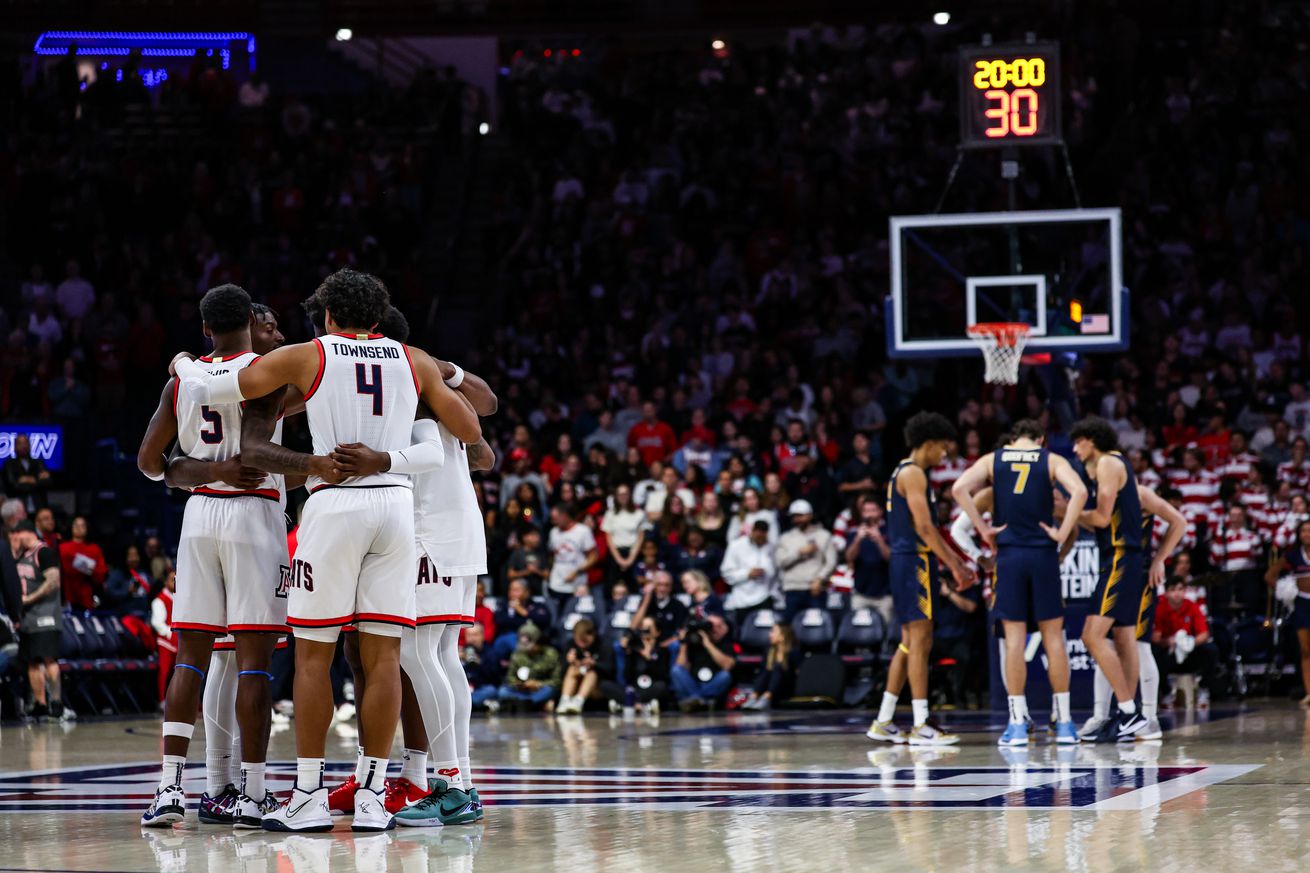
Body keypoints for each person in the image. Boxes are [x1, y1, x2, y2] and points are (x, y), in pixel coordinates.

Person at [169, 269, 481, 832]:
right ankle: (372, 794)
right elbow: (467, 423)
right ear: (379, 316)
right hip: (394, 506)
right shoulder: (413, 359)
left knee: (315, 653)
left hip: (335, 502)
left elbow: (214, 390)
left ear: (329, 316)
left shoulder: (307, 355)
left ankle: (309, 796)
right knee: (384, 656)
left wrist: (183, 364)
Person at [321, 311, 497, 826]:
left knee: (421, 654)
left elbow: (459, 445)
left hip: (431, 538)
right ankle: (453, 780)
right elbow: (483, 451)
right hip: (454, 533)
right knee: (442, 656)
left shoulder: (418, 403)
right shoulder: (433, 402)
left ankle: (451, 784)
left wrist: (381, 459)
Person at [137, 285, 293, 828]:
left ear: (205, 329)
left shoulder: (181, 382)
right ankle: (252, 794)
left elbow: (151, 463)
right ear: (252, 320)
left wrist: (209, 470)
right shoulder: (269, 371)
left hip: (200, 516)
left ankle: (169, 789)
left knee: (189, 657)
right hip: (253, 513)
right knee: (254, 664)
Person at [951, 419, 1088, 746]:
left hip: (1009, 557)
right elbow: (1081, 492)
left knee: (1014, 641)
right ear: (1040, 439)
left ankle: (1016, 723)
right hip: (1043, 555)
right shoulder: (1051, 459)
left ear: (1012, 440)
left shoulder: (993, 459)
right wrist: (1061, 532)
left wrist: (982, 530)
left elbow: (958, 489)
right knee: (1054, 639)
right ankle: (1066, 723)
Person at [865, 412, 975, 747]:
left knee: (908, 642)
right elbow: (926, 529)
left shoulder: (901, 471)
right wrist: (955, 564)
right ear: (928, 443)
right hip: (914, 562)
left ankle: (884, 720)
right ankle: (921, 723)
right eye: (942, 447)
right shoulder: (913, 474)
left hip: (905, 562)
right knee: (921, 641)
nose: (944, 455)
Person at [1071, 416, 1157, 742]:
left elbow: (1102, 517)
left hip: (1120, 555)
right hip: (1125, 556)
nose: (1076, 449)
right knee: (1123, 637)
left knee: (1092, 636)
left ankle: (1127, 710)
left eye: (1079, 442)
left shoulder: (1107, 462)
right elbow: (1102, 522)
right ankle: (1129, 717)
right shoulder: (1116, 464)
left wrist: (1067, 512)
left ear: (1091, 440)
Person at [1081, 481, 1188, 742]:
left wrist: (1159, 559)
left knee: (1138, 645)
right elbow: (1098, 524)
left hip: (1137, 574)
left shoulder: (1138, 492)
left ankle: (1149, 719)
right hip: (1113, 571)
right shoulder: (1102, 494)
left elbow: (1178, 522)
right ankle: (1102, 715)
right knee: (1104, 643)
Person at [11, 520, 65, 721]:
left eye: (18, 534)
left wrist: (28, 599)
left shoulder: (44, 552)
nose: (15, 538)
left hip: (47, 615)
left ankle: (56, 701)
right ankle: (40, 704)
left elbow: (53, 582)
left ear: (27, 533)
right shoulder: (21, 557)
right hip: (28, 617)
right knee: (33, 662)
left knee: (49, 658)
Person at [1151, 577, 1221, 699]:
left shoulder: (1192, 606)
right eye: (1173, 590)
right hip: (1170, 653)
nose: (1177, 593)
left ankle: (1203, 687)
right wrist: (1168, 641)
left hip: (1189, 652)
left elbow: (1204, 634)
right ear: (1166, 593)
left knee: (1211, 650)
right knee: (1154, 653)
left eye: (1180, 589)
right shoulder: (1160, 609)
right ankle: (1166, 692)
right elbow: (1155, 637)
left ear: (1185, 591)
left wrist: (1191, 642)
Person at [1265, 519, 1310, 707]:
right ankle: (1309, 692)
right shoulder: (1292, 555)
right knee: (1306, 650)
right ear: (1299, 535)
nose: (1307, 534)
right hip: (1301, 604)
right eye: (1304, 531)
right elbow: (1269, 576)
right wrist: (1285, 591)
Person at [776, 499, 838, 622]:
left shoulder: (823, 535)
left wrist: (820, 579)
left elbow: (832, 562)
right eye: (794, 516)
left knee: (817, 628)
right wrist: (799, 553)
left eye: (800, 516)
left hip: (815, 589)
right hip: (793, 589)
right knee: (790, 628)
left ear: (809, 515)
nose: (797, 519)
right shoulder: (786, 538)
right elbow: (780, 562)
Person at [604, 616, 670, 715]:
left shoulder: (662, 650)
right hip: (633, 689)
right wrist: (628, 654)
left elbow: (662, 676)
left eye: (649, 628)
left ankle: (627, 705)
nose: (645, 630)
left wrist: (649, 659)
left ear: (657, 632)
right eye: (642, 627)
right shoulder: (634, 649)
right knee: (605, 685)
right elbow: (627, 676)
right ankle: (642, 706)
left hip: (650, 688)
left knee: (661, 686)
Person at [670, 612, 736, 710]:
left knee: (725, 676)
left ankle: (695, 700)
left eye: (718, 626)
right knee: (676, 670)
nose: (714, 630)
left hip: (712, 684)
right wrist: (684, 643)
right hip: (693, 683)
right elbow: (680, 666)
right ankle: (702, 701)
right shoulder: (694, 642)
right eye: (711, 626)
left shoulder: (727, 645)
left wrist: (708, 644)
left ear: (725, 629)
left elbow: (727, 666)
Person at [720, 520, 778, 626]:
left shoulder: (771, 547)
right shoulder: (736, 545)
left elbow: (776, 574)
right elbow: (726, 573)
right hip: (742, 599)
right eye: (758, 534)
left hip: (764, 597)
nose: (760, 538)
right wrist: (747, 574)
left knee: (764, 633)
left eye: (763, 535)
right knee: (742, 635)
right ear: (753, 531)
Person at [845, 499, 892, 624]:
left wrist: (879, 540)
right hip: (861, 593)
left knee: (885, 631)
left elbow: (891, 558)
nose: (869, 514)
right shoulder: (854, 533)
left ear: (880, 512)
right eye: (866, 511)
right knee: (859, 630)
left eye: (873, 510)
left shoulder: (889, 531)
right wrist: (858, 539)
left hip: (885, 594)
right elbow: (849, 558)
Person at [557, 618, 615, 714]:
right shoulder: (570, 644)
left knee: (591, 672)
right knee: (572, 669)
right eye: (579, 639)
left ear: (593, 635)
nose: (582, 644)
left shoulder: (604, 644)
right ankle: (564, 701)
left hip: (597, 688)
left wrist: (594, 664)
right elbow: (560, 673)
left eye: (585, 640)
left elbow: (611, 670)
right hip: (575, 684)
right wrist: (568, 662)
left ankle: (578, 702)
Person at [497, 622, 561, 710]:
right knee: (503, 691)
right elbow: (510, 678)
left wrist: (538, 684)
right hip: (522, 691)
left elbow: (556, 681)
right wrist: (519, 684)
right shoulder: (517, 653)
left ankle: (524, 703)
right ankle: (531, 704)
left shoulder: (551, 654)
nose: (527, 649)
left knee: (550, 690)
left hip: (540, 689)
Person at [546, 502, 599, 606]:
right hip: (556, 582)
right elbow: (552, 554)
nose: (553, 522)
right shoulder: (553, 532)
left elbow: (593, 556)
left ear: (564, 516)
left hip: (577, 584)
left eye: (555, 518)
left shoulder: (582, 531)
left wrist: (577, 571)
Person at [741, 623, 800, 711]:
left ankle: (767, 697)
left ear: (782, 636)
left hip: (787, 689)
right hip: (770, 687)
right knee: (766, 670)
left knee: (777, 667)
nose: (770, 635)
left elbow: (797, 674)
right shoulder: (769, 651)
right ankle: (754, 696)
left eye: (773, 631)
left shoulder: (793, 652)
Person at [58, 516, 107, 610]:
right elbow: (65, 568)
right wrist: (88, 567)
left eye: (82, 525)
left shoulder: (94, 549)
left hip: (88, 597)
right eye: (76, 525)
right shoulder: (62, 548)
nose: (79, 528)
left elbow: (101, 573)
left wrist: (83, 566)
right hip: (67, 596)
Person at [601, 484, 646, 582]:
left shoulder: (639, 514)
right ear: (616, 496)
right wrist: (619, 559)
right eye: (620, 494)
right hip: (615, 554)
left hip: (634, 553)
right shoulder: (610, 514)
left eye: (626, 494)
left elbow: (641, 536)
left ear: (630, 495)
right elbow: (609, 538)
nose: (623, 496)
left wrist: (631, 558)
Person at [632, 569, 689, 644]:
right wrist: (646, 599)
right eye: (659, 584)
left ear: (671, 587)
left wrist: (665, 644)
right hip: (647, 645)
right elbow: (633, 626)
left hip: (669, 645)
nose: (662, 589)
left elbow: (682, 631)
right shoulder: (646, 602)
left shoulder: (678, 605)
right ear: (653, 586)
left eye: (666, 585)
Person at [2, 434, 52, 511]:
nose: (23, 446)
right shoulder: (9, 464)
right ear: (15, 447)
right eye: (20, 443)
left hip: (39, 506)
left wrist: (28, 480)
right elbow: (13, 485)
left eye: (25, 443)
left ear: (29, 445)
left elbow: (47, 482)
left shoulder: (39, 463)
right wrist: (36, 481)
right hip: (17, 508)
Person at [460, 624, 502, 711]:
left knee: (491, 690)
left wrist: (480, 663)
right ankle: (472, 704)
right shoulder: (461, 651)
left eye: (475, 635)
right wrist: (457, 661)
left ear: (482, 636)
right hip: (465, 689)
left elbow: (495, 678)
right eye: (469, 635)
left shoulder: (490, 652)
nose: (472, 638)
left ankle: (466, 705)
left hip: (481, 688)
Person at [505, 526, 550, 595]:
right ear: (524, 537)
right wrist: (526, 572)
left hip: (539, 593)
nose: (537, 538)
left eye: (538, 535)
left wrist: (536, 571)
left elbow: (547, 574)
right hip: (521, 594)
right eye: (533, 535)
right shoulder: (517, 553)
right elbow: (510, 574)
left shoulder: (541, 553)